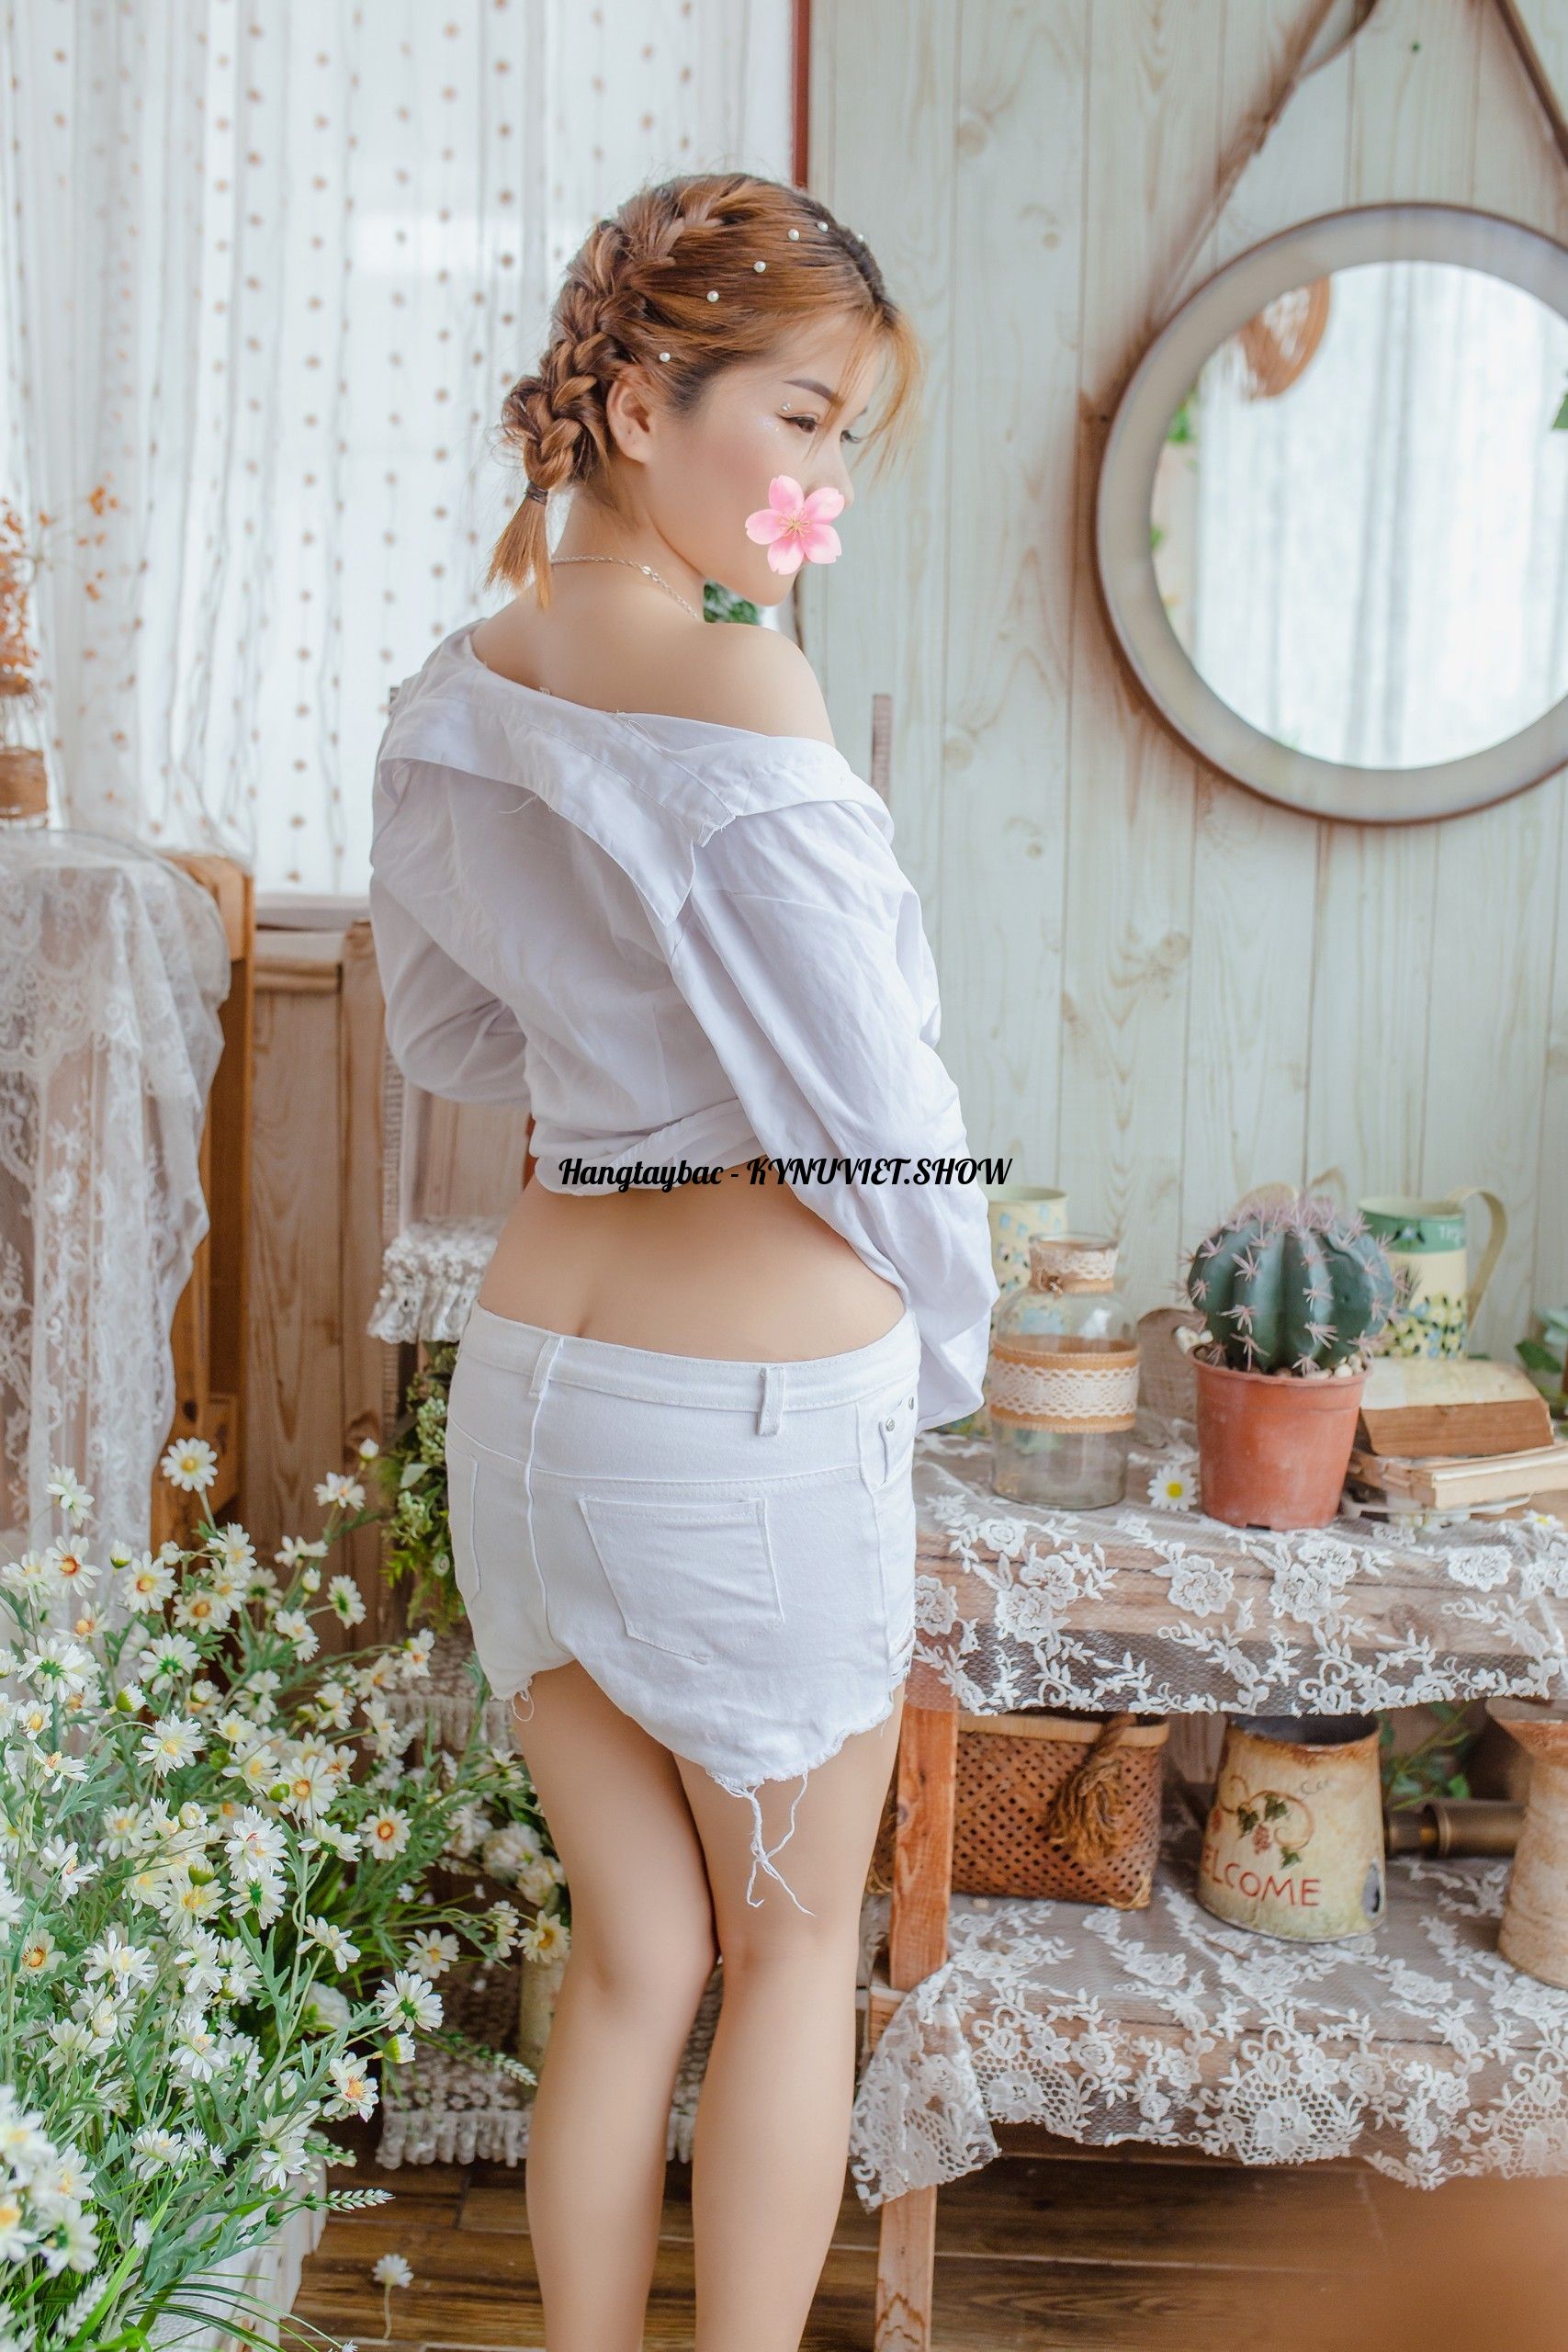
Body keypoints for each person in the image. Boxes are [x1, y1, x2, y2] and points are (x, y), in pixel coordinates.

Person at [368, 169, 997, 2352]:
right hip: (738, 1429)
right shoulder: (744, 691)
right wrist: (955, 1312)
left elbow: (448, 1034)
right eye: (801, 422)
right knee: (793, 1948)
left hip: (530, 1397)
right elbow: (883, 1113)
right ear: (640, 404)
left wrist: (627, 1083)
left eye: (847, 440)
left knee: (634, 1955)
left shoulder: (458, 686)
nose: (826, 486)